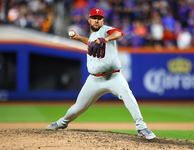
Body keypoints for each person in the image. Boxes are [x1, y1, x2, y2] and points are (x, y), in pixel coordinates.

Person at [46, 8, 156, 140]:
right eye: (94, 18)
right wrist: (78, 38)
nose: (97, 20)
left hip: (113, 76)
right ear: (89, 20)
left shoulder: (106, 30)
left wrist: (106, 39)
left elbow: (119, 33)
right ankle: (61, 123)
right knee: (77, 108)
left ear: (103, 20)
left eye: (99, 18)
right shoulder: (92, 35)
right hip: (94, 80)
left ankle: (141, 127)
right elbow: (91, 42)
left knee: (127, 93)